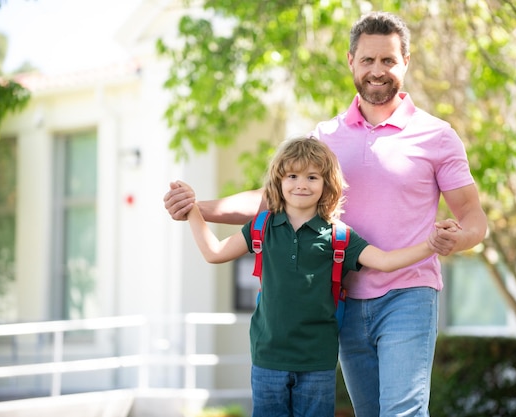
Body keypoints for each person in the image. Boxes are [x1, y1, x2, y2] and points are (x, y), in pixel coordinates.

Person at [164, 11, 487, 417]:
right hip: (344, 298)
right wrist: (196, 208)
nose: (377, 70)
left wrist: (453, 239)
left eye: (388, 60)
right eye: (367, 60)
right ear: (351, 61)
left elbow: (475, 219)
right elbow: (273, 200)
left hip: (409, 292)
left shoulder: (437, 136)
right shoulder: (325, 137)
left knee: (402, 411)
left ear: (406, 61)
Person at [180, 136, 448, 417]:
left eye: (312, 177)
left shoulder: (338, 235)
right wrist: (192, 211)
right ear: (278, 182)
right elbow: (214, 252)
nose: (301, 184)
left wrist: (430, 245)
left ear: (326, 184)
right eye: (292, 175)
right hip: (267, 360)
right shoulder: (262, 226)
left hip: (317, 364)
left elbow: (384, 261)